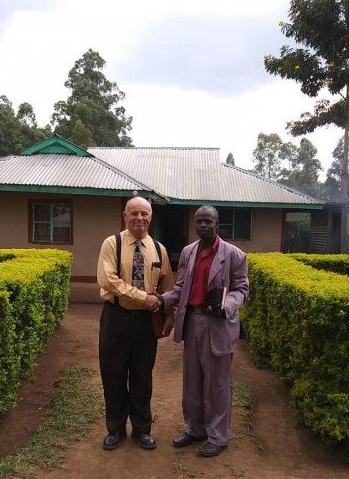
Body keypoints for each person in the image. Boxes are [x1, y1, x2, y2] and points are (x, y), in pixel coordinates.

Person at [159, 206, 249, 457]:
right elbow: (180, 287)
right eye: (199, 221)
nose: (203, 226)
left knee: (217, 384)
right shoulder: (188, 252)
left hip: (218, 325)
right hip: (192, 322)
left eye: (208, 221)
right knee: (193, 381)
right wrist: (161, 300)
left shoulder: (234, 255)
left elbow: (241, 290)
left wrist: (225, 305)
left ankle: (218, 437)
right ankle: (196, 428)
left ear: (217, 224)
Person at [97, 196, 175, 451]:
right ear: (125, 216)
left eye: (144, 214)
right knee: (113, 374)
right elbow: (108, 281)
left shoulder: (159, 249)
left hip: (145, 323)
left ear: (151, 217)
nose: (139, 218)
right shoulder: (112, 243)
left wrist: (170, 312)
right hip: (116, 318)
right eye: (134, 213)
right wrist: (143, 297)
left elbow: (167, 284)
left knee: (142, 376)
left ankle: (142, 429)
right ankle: (116, 429)